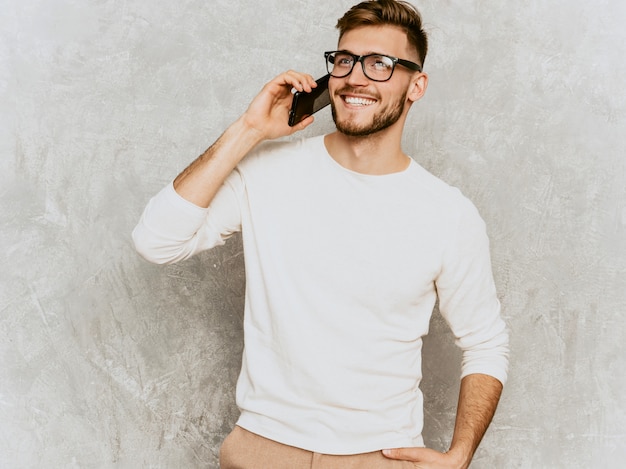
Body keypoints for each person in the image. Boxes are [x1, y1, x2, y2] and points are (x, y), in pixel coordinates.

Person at [132, 0, 509, 467]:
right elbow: (155, 241)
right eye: (345, 60)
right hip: (262, 449)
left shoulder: (449, 214)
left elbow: (485, 343)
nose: (356, 77)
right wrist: (248, 130)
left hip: (381, 455)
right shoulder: (266, 173)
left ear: (417, 85)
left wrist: (461, 454)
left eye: (380, 64)